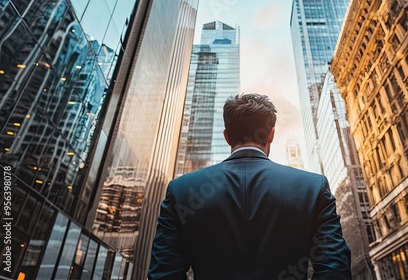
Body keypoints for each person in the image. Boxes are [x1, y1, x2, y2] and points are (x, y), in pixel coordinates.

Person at [149, 93, 351, 280]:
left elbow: (164, 274)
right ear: (270, 135)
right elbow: (334, 270)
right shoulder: (313, 188)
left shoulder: (181, 191)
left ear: (227, 136)